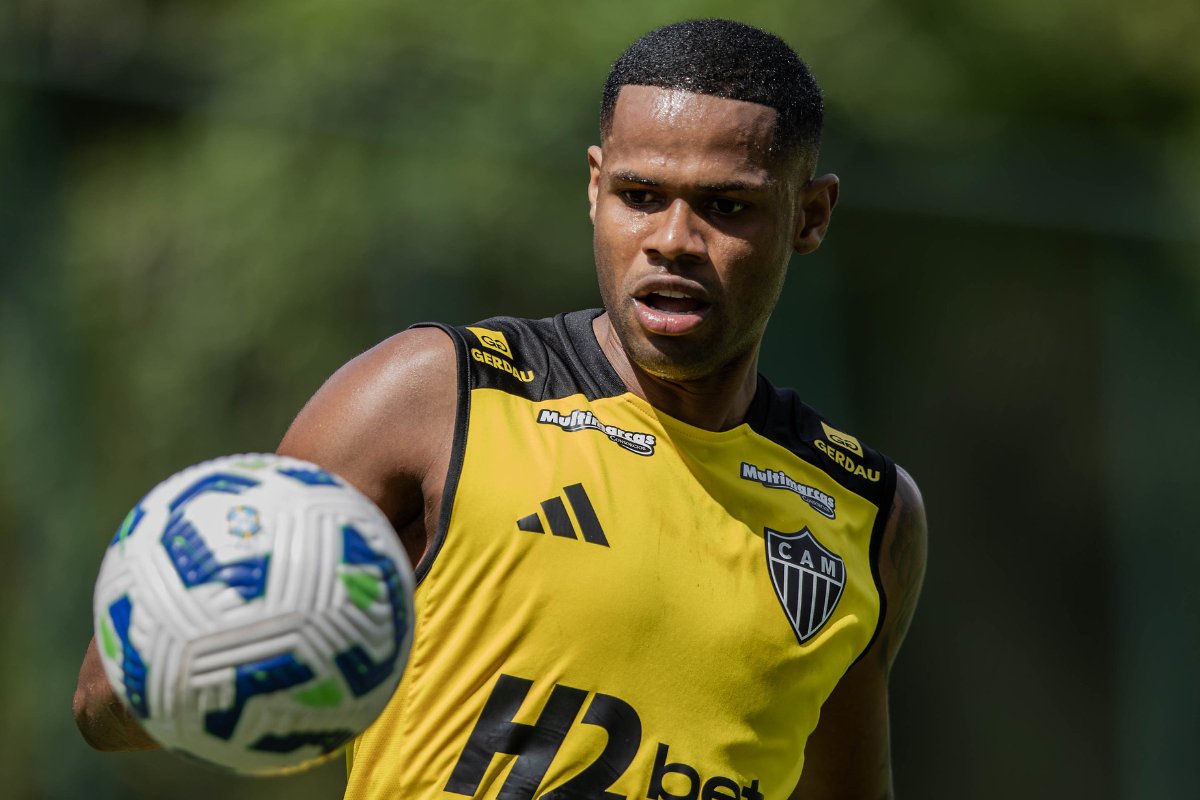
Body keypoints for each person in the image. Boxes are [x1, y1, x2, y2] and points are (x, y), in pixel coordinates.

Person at [74, 18, 927, 800]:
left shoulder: (865, 512)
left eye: (726, 206)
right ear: (595, 188)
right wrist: (229, 657)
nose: (672, 238)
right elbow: (105, 700)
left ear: (810, 215)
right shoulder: (436, 396)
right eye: (639, 195)